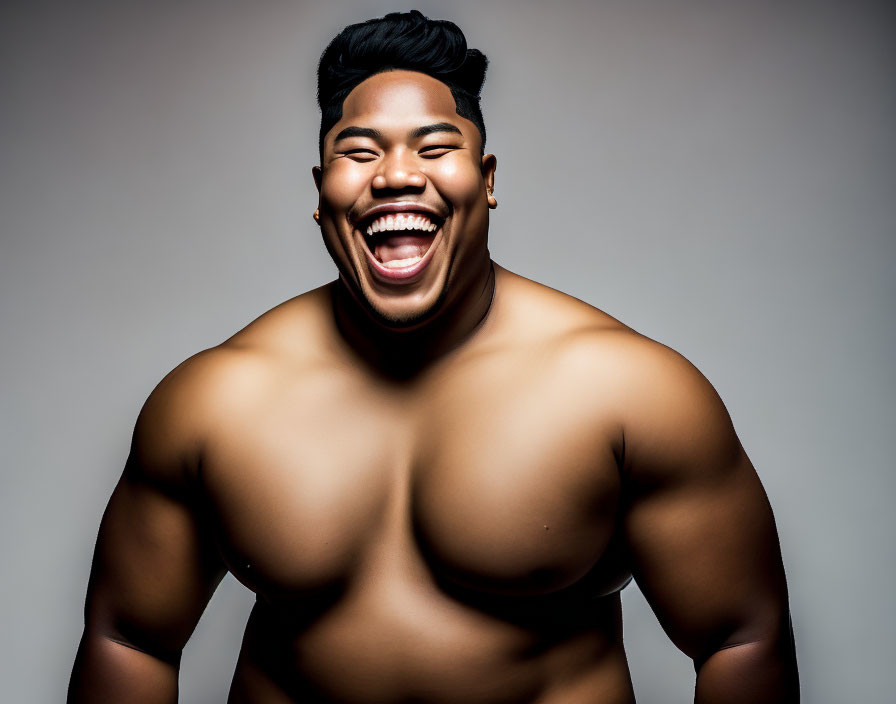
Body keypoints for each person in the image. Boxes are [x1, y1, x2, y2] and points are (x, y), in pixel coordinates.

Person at [68, 10, 799, 703]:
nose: (394, 175)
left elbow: (740, 636)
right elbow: (130, 637)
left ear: (485, 179)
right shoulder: (216, 403)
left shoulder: (628, 393)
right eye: (358, 152)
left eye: (435, 147)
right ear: (321, 195)